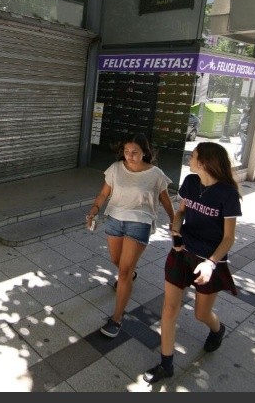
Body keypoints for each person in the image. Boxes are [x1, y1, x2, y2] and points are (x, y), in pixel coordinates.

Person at [143, 142, 242, 384]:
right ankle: (166, 364)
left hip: (208, 260)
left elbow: (229, 238)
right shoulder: (190, 182)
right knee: (169, 310)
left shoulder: (227, 193)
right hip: (181, 253)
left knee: (201, 313)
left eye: (194, 156)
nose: (189, 158)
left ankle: (218, 330)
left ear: (205, 162)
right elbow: (181, 213)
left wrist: (210, 263)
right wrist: (176, 228)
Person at [86, 133, 175, 338]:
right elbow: (103, 193)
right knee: (115, 260)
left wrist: (174, 220)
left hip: (140, 222)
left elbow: (165, 200)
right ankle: (130, 275)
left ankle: (116, 319)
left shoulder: (156, 174)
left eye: (135, 152)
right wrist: (94, 210)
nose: (130, 156)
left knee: (124, 272)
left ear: (145, 152)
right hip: (115, 218)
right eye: (126, 151)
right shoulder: (116, 169)